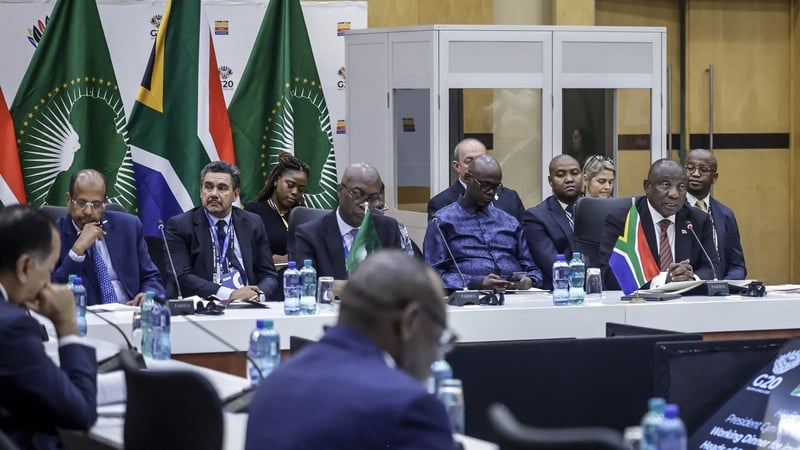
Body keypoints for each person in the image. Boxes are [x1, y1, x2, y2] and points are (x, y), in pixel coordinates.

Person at [245, 250, 454, 450]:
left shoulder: (273, 384)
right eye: (438, 332)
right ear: (411, 321)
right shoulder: (411, 408)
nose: (438, 347)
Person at [0, 205, 97, 449]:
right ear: (24, 268)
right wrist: (67, 326)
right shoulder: (13, 327)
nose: (48, 283)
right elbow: (80, 414)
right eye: (49, 270)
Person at [425, 155, 542, 291]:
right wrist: (477, 283)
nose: (491, 192)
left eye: (495, 186)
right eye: (485, 185)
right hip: (469, 297)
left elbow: (532, 268)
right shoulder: (442, 221)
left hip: (515, 295)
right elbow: (432, 275)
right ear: (468, 179)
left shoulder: (510, 222)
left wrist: (530, 280)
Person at [165, 161, 279, 300]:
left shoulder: (253, 223)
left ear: (235, 194)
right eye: (208, 187)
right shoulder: (180, 225)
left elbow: (269, 274)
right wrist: (229, 294)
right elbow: (181, 277)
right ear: (201, 191)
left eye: (222, 188)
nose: (213, 194)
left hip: (248, 305)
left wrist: (258, 295)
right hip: (204, 306)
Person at [599, 159, 721, 289]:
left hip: (684, 303)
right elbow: (610, 274)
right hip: (639, 304)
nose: (674, 194)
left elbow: (713, 267)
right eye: (665, 185)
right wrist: (664, 280)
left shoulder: (697, 220)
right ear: (647, 187)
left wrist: (690, 279)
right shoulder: (624, 218)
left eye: (681, 187)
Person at [51, 169, 164, 306]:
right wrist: (76, 251)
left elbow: (151, 277)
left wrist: (148, 295)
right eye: (81, 203)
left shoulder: (129, 227)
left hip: (131, 314)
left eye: (96, 204)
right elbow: (51, 291)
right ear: (69, 200)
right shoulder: (52, 235)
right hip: (87, 318)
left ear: (105, 203)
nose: (88, 211)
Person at [292, 163, 403, 284]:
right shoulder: (310, 234)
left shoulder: (389, 229)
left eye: (372, 198)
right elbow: (306, 284)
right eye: (357, 194)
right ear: (339, 191)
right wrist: (339, 289)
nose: (365, 204)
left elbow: (399, 280)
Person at [522, 155, 583, 290]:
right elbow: (553, 264)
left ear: (583, 177)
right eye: (561, 175)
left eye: (574, 173)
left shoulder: (594, 210)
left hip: (598, 289)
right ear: (550, 181)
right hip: (559, 292)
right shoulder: (536, 217)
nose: (569, 179)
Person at [427, 138, 525, 221]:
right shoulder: (441, 203)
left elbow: (524, 238)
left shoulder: (510, 198)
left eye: (481, 159)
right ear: (457, 166)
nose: (477, 166)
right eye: (469, 161)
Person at [684, 148, 747, 279]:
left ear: (714, 178)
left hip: (719, 292)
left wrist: (723, 286)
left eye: (703, 169)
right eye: (690, 168)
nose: (695, 174)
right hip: (684, 290)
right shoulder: (674, 210)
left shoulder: (725, 214)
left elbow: (737, 265)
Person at [244, 152, 310, 266]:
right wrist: (271, 260)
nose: (295, 192)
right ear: (276, 180)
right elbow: (245, 253)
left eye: (301, 189)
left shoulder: (303, 216)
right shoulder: (253, 212)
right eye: (290, 185)